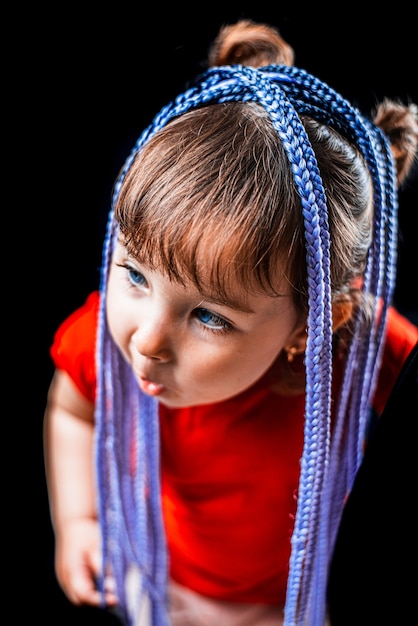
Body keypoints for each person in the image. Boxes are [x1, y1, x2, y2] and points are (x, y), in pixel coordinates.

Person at [43, 19, 418, 626]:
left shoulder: (361, 349)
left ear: (314, 325)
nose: (146, 340)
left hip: (292, 601)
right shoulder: (104, 348)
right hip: (158, 581)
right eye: (135, 275)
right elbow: (71, 410)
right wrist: (79, 519)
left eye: (210, 316)